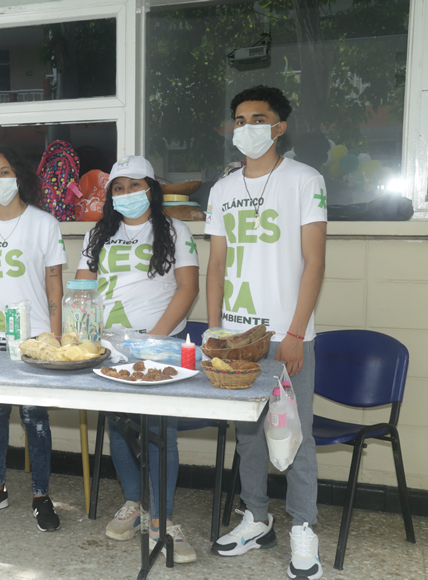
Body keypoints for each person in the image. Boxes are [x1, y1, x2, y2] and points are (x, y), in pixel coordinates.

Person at [206, 85, 326, 580]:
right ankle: (256, 518)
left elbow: (315, 261)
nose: (247, 127)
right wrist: (215, 330)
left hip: (287, 335)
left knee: (296, 436)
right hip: (236, 338)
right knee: (250, 436)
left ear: (279, 127)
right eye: (240, 119)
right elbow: (216, 265)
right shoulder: (222, 189)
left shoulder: (304, 179)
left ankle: (304, 527)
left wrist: (295, 332)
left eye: (258, 118)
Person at [75, 155, 199, 563]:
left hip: (158, 345)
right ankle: (134, 502)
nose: (126, 193)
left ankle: (162, 518)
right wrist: (83, 338)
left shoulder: (175, 230)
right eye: (118, 187)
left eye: (134, 185)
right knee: (119, 427)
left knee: (160, 432)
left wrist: (155, 339)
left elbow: (188, 288)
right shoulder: (98, 233)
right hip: (109, 347)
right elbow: (83, 289)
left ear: (151, 188)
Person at [0, 146, 68, 532]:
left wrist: (55, 335)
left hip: (32, 338)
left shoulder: (44, 223)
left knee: (35, 416)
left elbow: (54, 281)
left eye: (3, 171)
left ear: (19, 175)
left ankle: (41, 495)